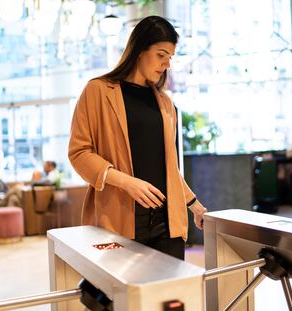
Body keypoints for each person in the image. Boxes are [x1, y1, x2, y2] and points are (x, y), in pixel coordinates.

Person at [68, 15, 207, 260]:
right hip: (119, 223)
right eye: (161, 55)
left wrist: (194, 205)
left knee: (168, 296)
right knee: (123, 296)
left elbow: (169, 167)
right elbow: (79, 153)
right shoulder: (98, 91)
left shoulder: (165, 103)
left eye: (170, 58)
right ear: (140, 50)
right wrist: (127, 182)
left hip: (167, 226)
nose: (167, 64)